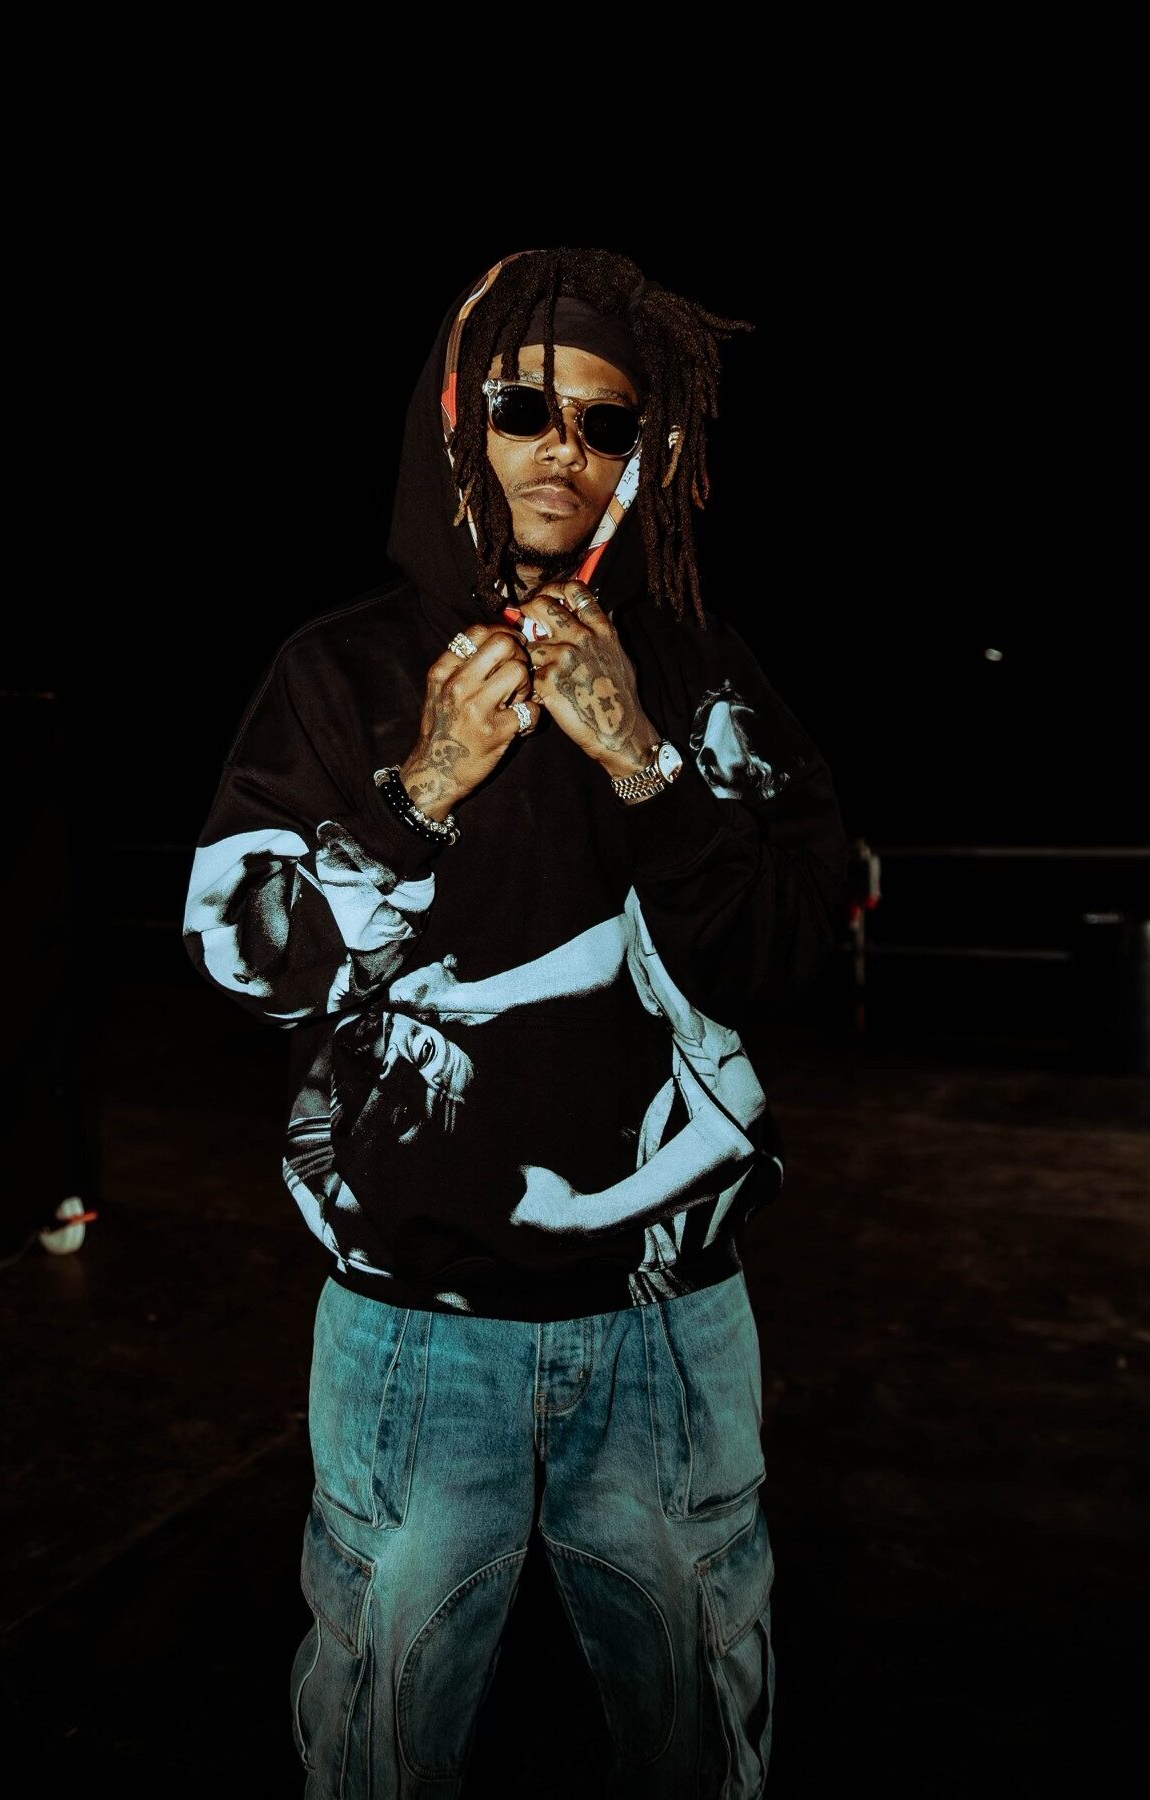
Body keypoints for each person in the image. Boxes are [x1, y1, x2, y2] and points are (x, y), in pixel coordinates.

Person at [183, 245, 848, 1798]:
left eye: (608, 425)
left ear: (646, 458)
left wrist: (645, 769)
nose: (565, 449)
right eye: (525, 409)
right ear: (453, 421)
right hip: (413, 1336)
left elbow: (797, 958)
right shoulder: (339, 671)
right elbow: (242, 967)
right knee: (381, 1738)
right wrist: (417, 791)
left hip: (669, 1329)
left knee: (699, 1734)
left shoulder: (701, 671)